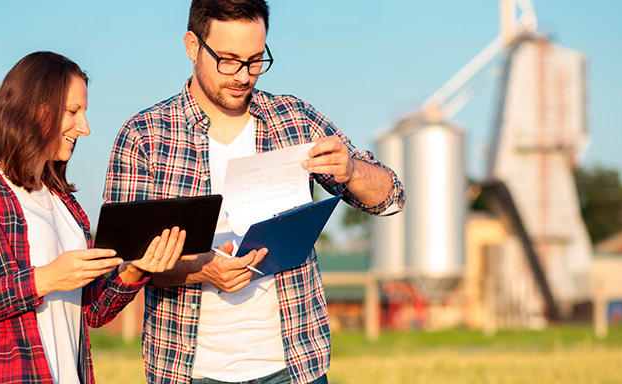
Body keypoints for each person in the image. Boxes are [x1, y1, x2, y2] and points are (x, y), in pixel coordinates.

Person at [103, 1, 405, 383]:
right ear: (192, 47)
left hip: (295, 367)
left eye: (255, 60)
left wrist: (353, 170)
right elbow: (122, 264)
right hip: (187, 370)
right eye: (228, 60)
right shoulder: (144, 137)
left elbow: (392, 198)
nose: (243, 76)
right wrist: (202, 270)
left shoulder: (296, 120)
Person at [0, 51, 190, 384]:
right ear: (35, 108)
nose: (84, 127)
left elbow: (92, 312)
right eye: (73, 111)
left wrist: (135, 268)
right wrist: (45, 279)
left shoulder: (65, 203)